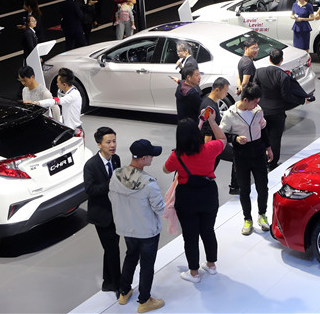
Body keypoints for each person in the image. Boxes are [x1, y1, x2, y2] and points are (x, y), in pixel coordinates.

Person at [163, 117, 227, 284]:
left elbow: (165, 169)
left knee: (190, 237)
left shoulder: (177, 156)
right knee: (208, 231)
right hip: (208, 195)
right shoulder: (210, 148)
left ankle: (194, 273)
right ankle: (211, 265)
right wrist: (211, 121)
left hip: (187, 198)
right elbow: (223, 139)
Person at [109, 139, 166, 313]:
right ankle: (144, 301)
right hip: (147, 231)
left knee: (131, 256)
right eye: (151, 156)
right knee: (147, 265)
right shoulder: (149, 183)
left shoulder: (116, 175)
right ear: (143, 158)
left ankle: (124, 292)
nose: (153, 158)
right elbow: (160, 209)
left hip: (126, 228)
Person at [219, 84, 272, 236]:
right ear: (246, 100)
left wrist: (269, 148)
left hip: (258, 153)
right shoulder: (230, 114)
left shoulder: (258, 111)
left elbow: (263, 129)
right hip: (241, 155)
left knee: (263, 187)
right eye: (254, 102)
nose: (256, 105)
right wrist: (235, 138)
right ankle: (247, 219)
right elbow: (222, 134)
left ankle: (262, 215)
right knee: (244, 189)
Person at [253, 49, 312, 171]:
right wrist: (302, 100)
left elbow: (254, 90)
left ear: (269, 59)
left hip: (261, 112)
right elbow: (287, 96)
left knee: (261, 137)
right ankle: (272, 163)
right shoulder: (283, 76)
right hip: (277, 113)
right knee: (275, 138)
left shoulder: (259, 72)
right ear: (281, 60)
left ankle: (261, 160)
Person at [83, 127, 122, 297]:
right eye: (108, 142)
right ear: (99, 144)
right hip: (101, 215)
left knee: (111, 248)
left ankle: (108, 282)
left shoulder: (116, 159)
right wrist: (110, 183)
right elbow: (90, 190)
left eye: (114, 141)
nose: (112, 145)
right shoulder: (91, 165)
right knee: (113, 250)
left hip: (116, 213)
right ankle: (119, 286)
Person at [28, 68, 83, 134]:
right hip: (70, 128)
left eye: (58, 82)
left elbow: (53, 101)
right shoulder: (73, 92)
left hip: (74, 131)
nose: (57, 84)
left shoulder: (72, 96)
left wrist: (37, 103)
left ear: (64, 84)